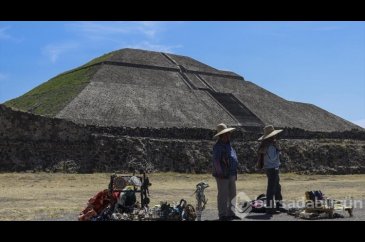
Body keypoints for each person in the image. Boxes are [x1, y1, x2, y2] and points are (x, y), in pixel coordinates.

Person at [212, 123, 241, 221]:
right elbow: (216, 161)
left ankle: (231, 213)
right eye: (227, 133)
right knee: (223, 195)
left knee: (232, 194)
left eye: (229, 133)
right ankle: (222, 214)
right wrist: (220, 174)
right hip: (222, 175)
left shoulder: (229, 145)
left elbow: (233, 158)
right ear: (222, 135)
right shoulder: (218, 147)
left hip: (232, 173)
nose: (229, 135)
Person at [257, 125, 284, 214]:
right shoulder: (270, 146)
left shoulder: (267, 145)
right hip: (272, 168)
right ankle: (270, 208)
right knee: (272, 188)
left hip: (272, 168)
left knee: (277, 187)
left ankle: (278, 205)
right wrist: (278, 150)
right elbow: (272, 158)